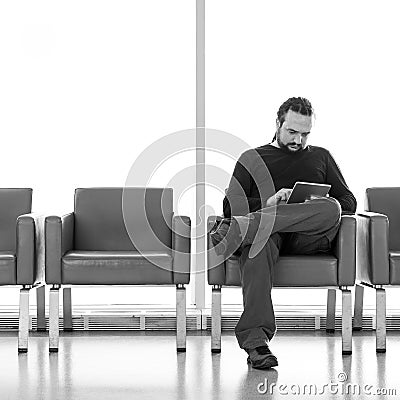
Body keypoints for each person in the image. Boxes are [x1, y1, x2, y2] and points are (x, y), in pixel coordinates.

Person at [210, 97, 357, 369]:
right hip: (267, 236)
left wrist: (309, 205)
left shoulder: (321, 156)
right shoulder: (252, 157)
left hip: (308, 238)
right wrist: (268, 205)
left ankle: (242, 230)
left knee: (332, 208)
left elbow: (349, 202)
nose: (298, 140)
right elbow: (230, 205)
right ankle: (256, 344)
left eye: (305, 134)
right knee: (260, 242)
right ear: (277, 123)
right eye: (292, 132)